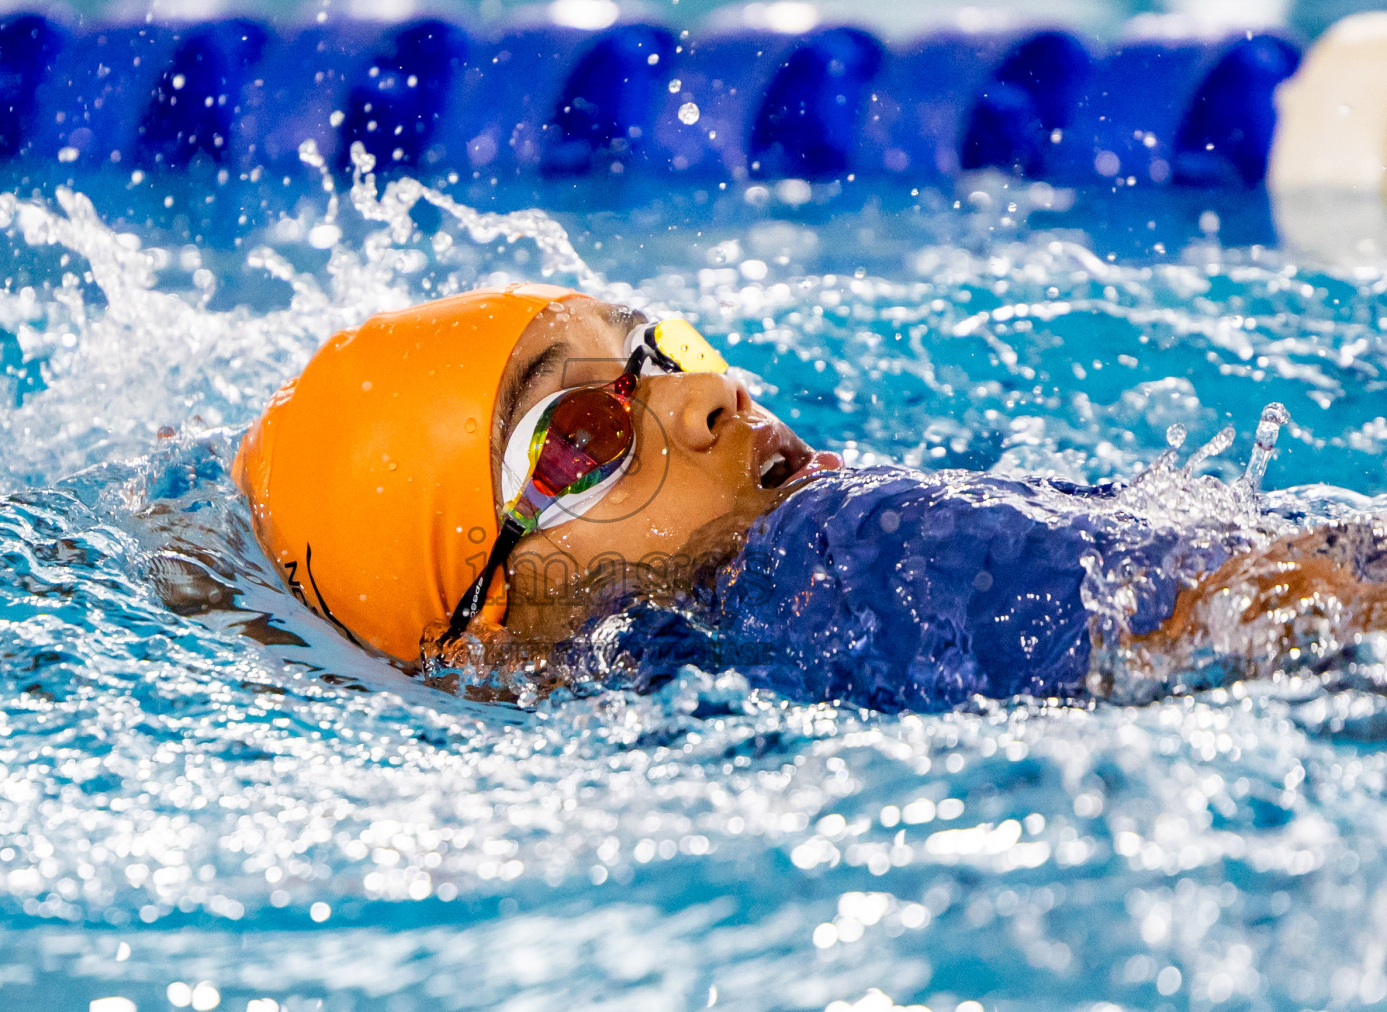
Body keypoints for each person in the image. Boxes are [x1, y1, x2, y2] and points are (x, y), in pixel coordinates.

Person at [233, 285, 1387, 711]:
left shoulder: (806, 571)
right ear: (486, 645)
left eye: (661, 347)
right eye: (582, 433)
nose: (707, 398)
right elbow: (1292, 601)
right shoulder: (837, 555)